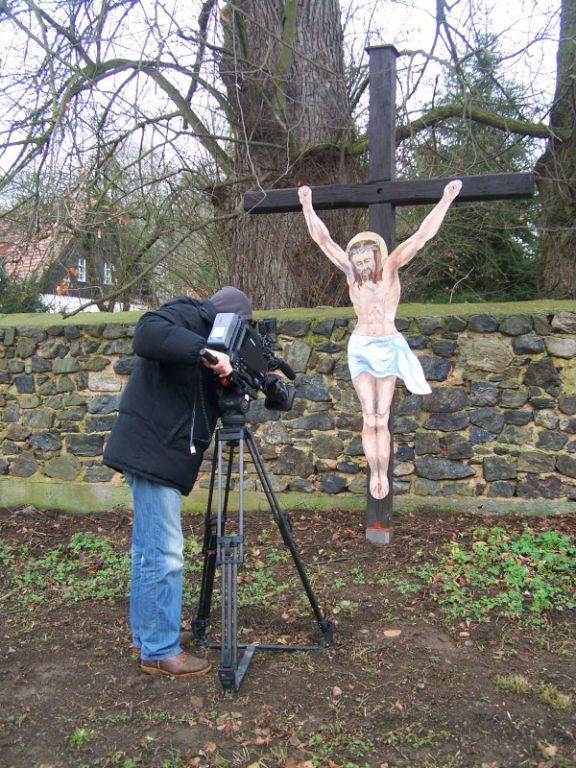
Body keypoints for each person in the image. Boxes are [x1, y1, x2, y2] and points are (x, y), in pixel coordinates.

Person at [103, 286, 253, 678]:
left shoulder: (207, 340)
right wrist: (206, 353)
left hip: (156, 453)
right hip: (151, 450)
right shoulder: (188, 315)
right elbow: (146, 333)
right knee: (164, 553)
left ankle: (149, 635)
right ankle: (159, 650)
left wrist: (232, 376)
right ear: (228, 319)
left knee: (147, 552)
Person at [298, 180, 462, 499]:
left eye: (365, 261)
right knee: (368, 415)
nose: (361, 266)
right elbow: (323, 241)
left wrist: (446, 199)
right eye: (357, 262)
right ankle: (371, 471)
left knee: (381, 416)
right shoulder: (351, 276)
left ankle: (379, 473)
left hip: (387, 346)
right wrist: (307, 207)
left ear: (376, 257)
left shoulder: (391, 269)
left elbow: (421, 237)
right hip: (361, 347)